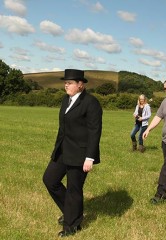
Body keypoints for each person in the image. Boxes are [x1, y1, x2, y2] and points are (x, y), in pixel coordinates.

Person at [43, 69, 103, 237]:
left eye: (69, 83)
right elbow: (62, 129)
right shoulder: (65, 100)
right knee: (49, 180)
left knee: (73, 190)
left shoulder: (91, 103)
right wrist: (56, 150)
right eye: (65, 83)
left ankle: (72, 226)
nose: (66, 86)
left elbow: (94, 131)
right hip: (63, 150)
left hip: (81, 153)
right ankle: (72, 212)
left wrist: (89, 157)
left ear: (80, 85)